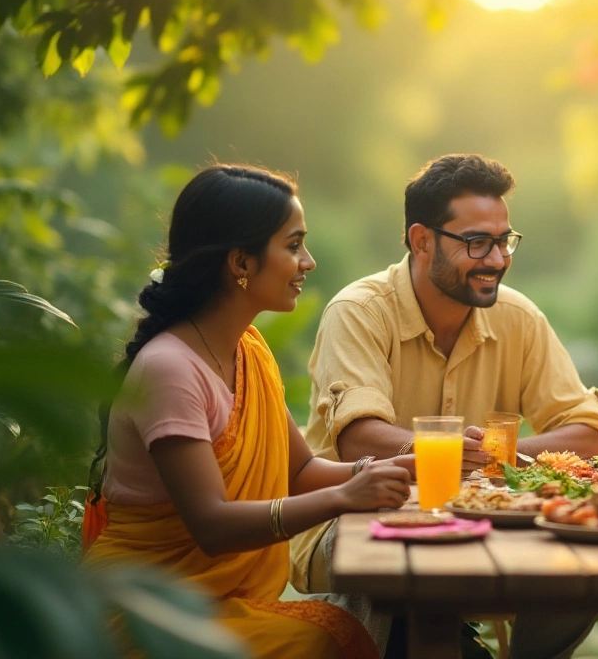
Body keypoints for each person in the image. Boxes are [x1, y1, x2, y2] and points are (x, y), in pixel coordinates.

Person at [81, 165, 413, 659]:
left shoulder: (247, 348)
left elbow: (297, 470)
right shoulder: (170, 369)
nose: (309, 262)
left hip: (215, 603)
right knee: (328, 636)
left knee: (377, 611)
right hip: (147, 610)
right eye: (294, 245)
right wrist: (347, 496)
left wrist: (384, 470)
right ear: (240, 262)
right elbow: (212, 526)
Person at [289, 154, 598, 658]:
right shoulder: (358, 312)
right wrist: (443, 452)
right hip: (355, 519)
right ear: (422, 241)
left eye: (504, 240)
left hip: (481, 524)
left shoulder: (519, 318)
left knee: (580, 563)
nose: (498, 259)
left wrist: (495, 456)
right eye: (477, 242)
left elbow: (590, 436)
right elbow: (360, 436)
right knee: (399, 564)